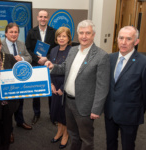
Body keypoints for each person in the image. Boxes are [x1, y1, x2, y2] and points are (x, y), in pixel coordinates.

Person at [45, 20, 110, 150]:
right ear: (78, 34)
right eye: (81, 33)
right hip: (68, 101)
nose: (84, 36)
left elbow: (102, 86)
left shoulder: (101, 56)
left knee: (86, 139)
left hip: (85, 106)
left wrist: (96, 109)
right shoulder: (73, 50)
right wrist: (53, 67)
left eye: (88, 33)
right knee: (73, 135)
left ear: (93, 35)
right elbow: (65, 68)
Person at [104, 26, 146, 150]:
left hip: (130, 114)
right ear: (117, 39)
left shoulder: (145, 63)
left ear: (136, 41)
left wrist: (137, 109)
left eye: (128, 39)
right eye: (121, 38)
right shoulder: (110, 58)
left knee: (128, 145)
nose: (123, 42)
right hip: (110, 112)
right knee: (110, 143)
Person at [1, 23, 32, 143]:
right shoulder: (0, 44)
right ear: (6, 33)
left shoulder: (21, 43)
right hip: (6, 79)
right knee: (8, 106)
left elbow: (29, 57)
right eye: (11, 32)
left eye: (16, 32)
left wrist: (22, 59)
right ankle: (9, 130)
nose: (14, 34)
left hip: (20, 78)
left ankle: (20, 121)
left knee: (20, 102)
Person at [25, 10, 57, 124]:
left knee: (51, 90)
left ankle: (52, 115)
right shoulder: (31, 32)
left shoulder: (54, 32)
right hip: (36, 64)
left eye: (45, 17)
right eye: (41, 17)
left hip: (49, 64)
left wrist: (46, 58)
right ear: (37, 18)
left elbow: (56, 48)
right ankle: (36, 113)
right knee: (36, 91)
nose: (43, 19)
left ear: (48, 18)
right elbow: (28, 48)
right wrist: (37, 58)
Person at [49, 27, 71, 149]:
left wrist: (63, 88)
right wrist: (51, 84)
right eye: (59, 36)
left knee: (64, 113)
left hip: (65, 85)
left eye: (64, 36)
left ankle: (65, 135)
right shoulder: (53, 50)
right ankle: (59, 132)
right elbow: (50, 68)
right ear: (56, 38)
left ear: (68, 38)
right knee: (56, 110)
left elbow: (71, 72)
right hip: (54, 85)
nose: (61, 38)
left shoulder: (72, 51)